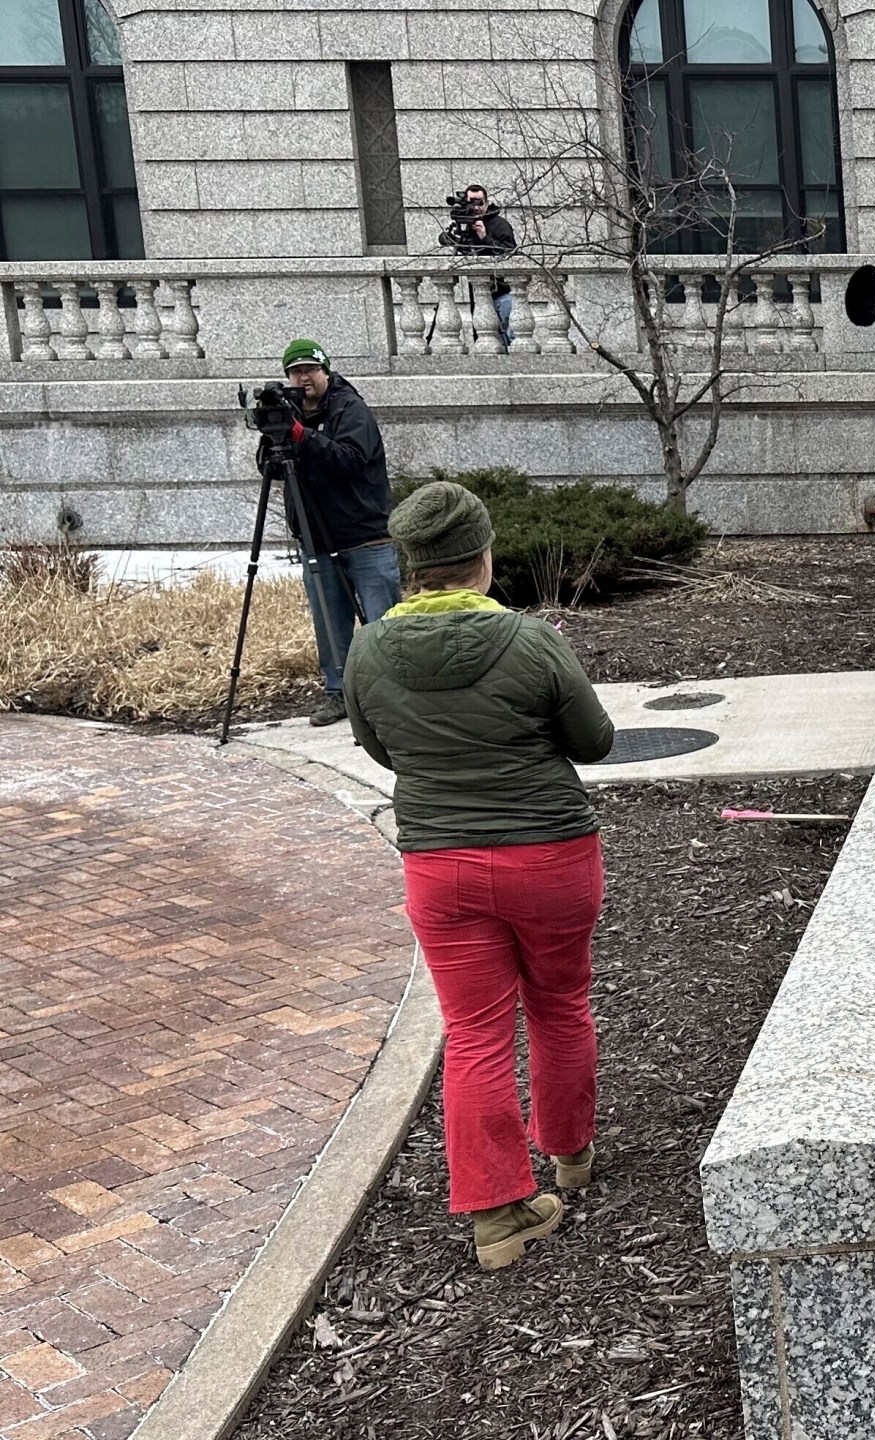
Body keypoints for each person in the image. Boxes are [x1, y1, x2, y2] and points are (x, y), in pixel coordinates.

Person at [343, 480, 618, 1271]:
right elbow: (593, 742)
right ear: (482, 558)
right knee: (560, 1002)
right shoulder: (531, 642)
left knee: (472, 1033)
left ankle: (498, 1214)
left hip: (440, 862)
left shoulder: (367, 649)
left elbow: (380, 749)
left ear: (412, 567)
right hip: (550, 855)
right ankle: (569, 1153)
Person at [264, 338, 402, 727]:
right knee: (329, 622)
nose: (303, 377)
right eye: (295, 371)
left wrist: (302, 437)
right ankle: (337, 693)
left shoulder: (351, 409)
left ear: (326, 371)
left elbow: (351, 461)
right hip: (316, 538)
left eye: (310, 369)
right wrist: (275, 436)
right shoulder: (288, 412)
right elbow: (269, 468)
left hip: (364, 535)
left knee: (381, 622)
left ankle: (390, 696)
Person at [447, 184, 519, 346]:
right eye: (471, 202)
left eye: (480, 203)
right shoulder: (464, 224)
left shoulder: (500, 224)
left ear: (487, 202)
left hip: (501, 290)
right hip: (478, 295)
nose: (476, 207)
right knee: (486, 340)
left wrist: (484, 236)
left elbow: (510, 254)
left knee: (508, 336)